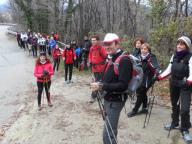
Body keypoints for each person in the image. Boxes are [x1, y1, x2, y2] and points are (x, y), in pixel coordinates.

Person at [91, 33, 133, 144]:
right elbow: (108, 78)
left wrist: (102, 86)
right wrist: (99, 83)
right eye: (105, 44)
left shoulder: (124, 60)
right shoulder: (111, 58)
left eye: (110, 44)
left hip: (116, 101)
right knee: (110, 130)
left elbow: (123, 85)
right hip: (108, 99)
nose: (107, 46)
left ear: (117, 44)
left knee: (107, 135)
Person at [157, 36, 192, 143]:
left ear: (187, 46)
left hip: (185, 85)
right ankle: (175, 122)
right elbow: (169, 69)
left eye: (182, 44)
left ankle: (185, 129)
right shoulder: (174, 56)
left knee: (185, 109)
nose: (179, 46)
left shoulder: (190, 57)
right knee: (175, 105)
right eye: (178, 43)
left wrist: (187, 82)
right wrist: (159, 77)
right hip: (174, 84)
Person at [127, 43, 161, 117]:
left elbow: (157, 67)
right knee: (142, 93)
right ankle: (145, 108)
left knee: (140, 93)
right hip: (138, 78)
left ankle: (134, 110)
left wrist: (157, 72)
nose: (143, 50)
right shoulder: (138, 57)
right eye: (142, 49)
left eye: (145, 49)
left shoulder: (151, 57)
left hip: (147, 79)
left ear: (148, 50)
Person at [89, 35, 107, 103]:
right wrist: (90, 62)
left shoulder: (101, 48)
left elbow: (105, 56)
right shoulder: (91, 48)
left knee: (97, 82)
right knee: (98, 81)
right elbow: (90, 56)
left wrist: (100, 61)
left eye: (94, 40)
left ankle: (93, 96)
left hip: (101, 68)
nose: (93, 41)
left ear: (98, 41)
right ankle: (102, 92)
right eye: (92, 40)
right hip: (94, 68)